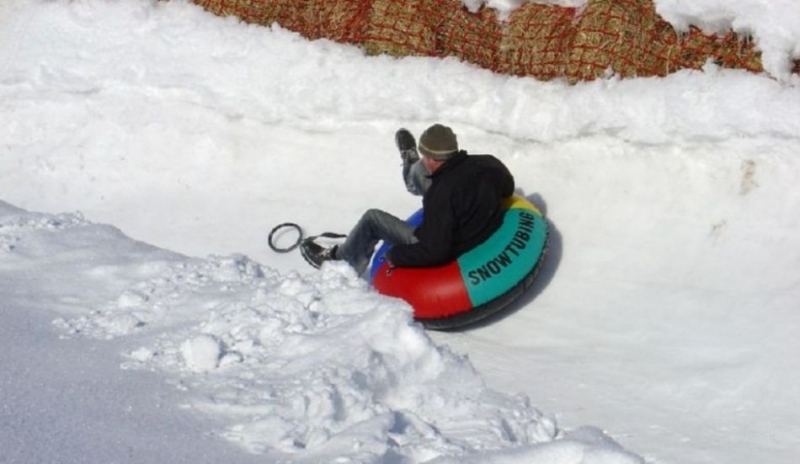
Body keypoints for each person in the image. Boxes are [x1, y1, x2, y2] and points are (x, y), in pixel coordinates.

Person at [302, 123, 515, 276]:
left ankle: (343, 262)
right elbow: (508, 189)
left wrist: (397, 255)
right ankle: (410, 165)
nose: (425, 161)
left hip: (456, 241)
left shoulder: (440, 196)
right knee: (421, 174)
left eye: (424, 157)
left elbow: (435, 250)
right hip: (473, 217)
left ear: (432, 158)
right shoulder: (488, 163)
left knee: (372, 219)